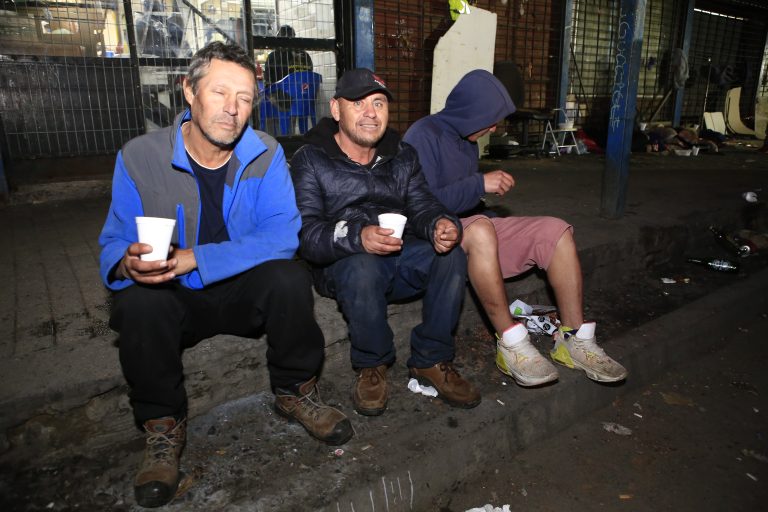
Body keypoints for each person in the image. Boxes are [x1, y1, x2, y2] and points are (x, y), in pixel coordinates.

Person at [98, 42, 352, 509]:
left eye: (245, 97)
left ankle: (295, 391)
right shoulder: (140, 156)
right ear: (189, 92)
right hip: (171, 294)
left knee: (289, 278)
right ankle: (162, 427)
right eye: (219, 92)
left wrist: (199, 258)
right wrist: (125, 262)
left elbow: (283, 235)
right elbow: (113, 240)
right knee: (135, 300)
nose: (232, 109)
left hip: (238, 290)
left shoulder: (266, 153)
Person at [403, 69, 627, 387]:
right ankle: (511, 343)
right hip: (436, 233)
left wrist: (478, 196)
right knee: (480, 228)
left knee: (556, 230)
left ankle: (574, 338)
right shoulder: (422, 135)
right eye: (490, 119)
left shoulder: (466, 140)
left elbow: (465, 201)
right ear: (470, 111)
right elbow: (420, 205)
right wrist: (479, 182)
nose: (494, 127)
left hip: (471, 222)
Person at [290, 68, 480, 416]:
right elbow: (306, 236)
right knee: (363, 264)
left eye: (378, 103)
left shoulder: (402, 155)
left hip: (399, 257)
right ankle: (372, 365)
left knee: (450, 255)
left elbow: (424, 205)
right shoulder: (311, 159)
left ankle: (432, 359)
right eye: (358, 103)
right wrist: (357, 236)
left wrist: (442, 224)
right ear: (336, 110)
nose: (370, 113)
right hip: (344, 266)